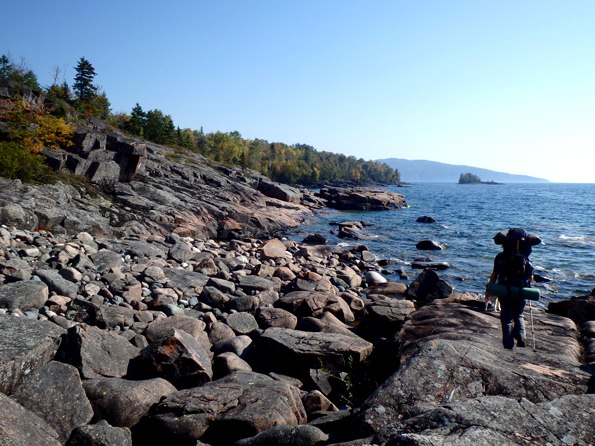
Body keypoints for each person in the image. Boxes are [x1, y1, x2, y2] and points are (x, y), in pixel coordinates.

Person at [486, 228, 538, 350]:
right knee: (519, 315)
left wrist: (489, 289)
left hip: (505, 290)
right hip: (522, 290)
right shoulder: (525, 258)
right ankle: (521, 337)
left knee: (506, 317)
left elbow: (494, 275)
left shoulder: (501, 256)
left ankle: (508, 344)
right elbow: (530, 276)